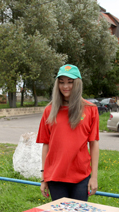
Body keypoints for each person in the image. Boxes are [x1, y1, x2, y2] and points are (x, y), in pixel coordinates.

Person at [36, 64, 100, 201]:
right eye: (61, 82)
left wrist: (94, 177)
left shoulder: (90, 109)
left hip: (81, 177)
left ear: (77, 84)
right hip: (55, 176)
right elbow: (46, 145)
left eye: (70, 82)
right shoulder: (49, 110)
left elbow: (93, 144)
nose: (65, 86)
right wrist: (43, 177)